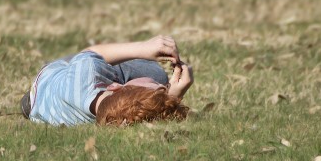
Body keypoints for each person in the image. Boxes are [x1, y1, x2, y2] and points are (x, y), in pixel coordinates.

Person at [22, 36, 194, 126]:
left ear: (116, 86)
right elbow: (141, 116)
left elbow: (91, 53)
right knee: (159, 75)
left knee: (154, 72)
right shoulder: (111, 117)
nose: (159, 86)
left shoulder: (85, 71)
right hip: (47, 108)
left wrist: (144, 48)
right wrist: (172, 97)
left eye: (154, 87)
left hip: (48, 80)